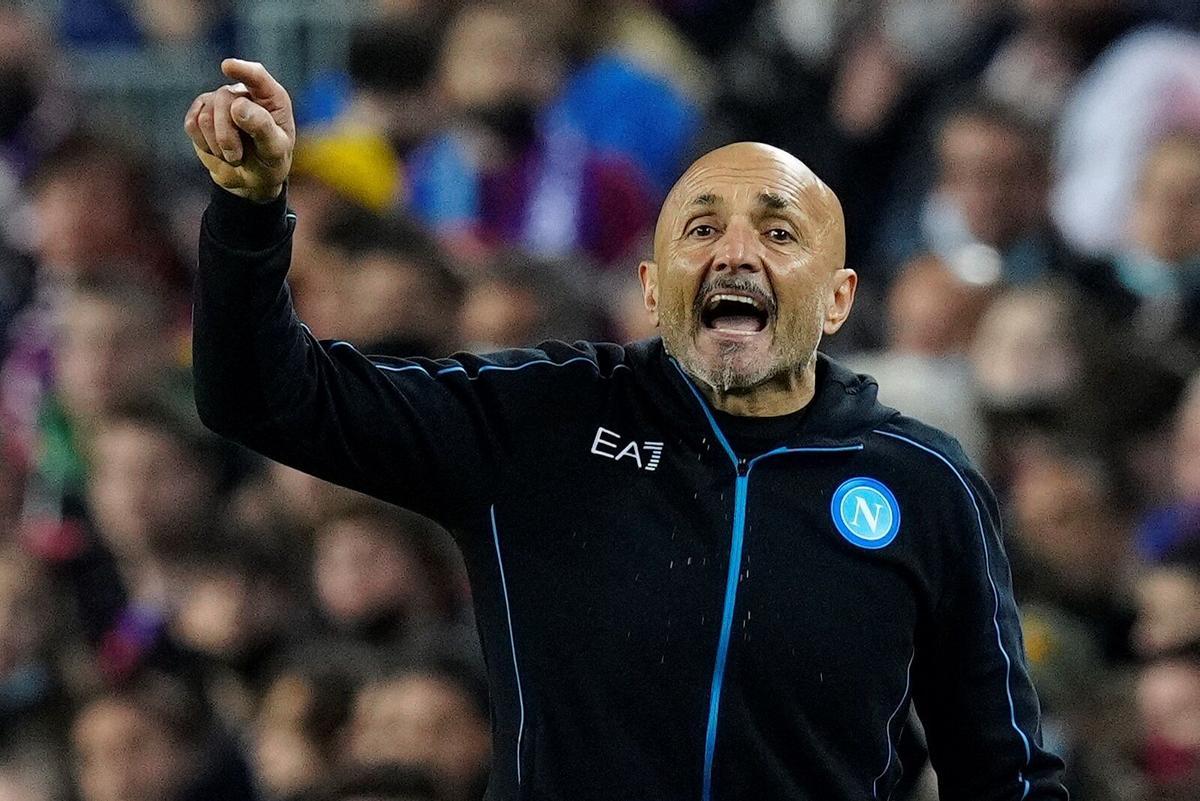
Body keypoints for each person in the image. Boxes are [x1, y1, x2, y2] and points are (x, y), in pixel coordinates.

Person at [185, 59, 1067, 800]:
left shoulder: (923, 484)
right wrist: (250, 212)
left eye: (779, 231)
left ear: (838, 298)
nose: (736, 253)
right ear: (650, 287)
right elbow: (258, 396)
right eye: (702, 227)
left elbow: (1005, 774)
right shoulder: (542, 419)